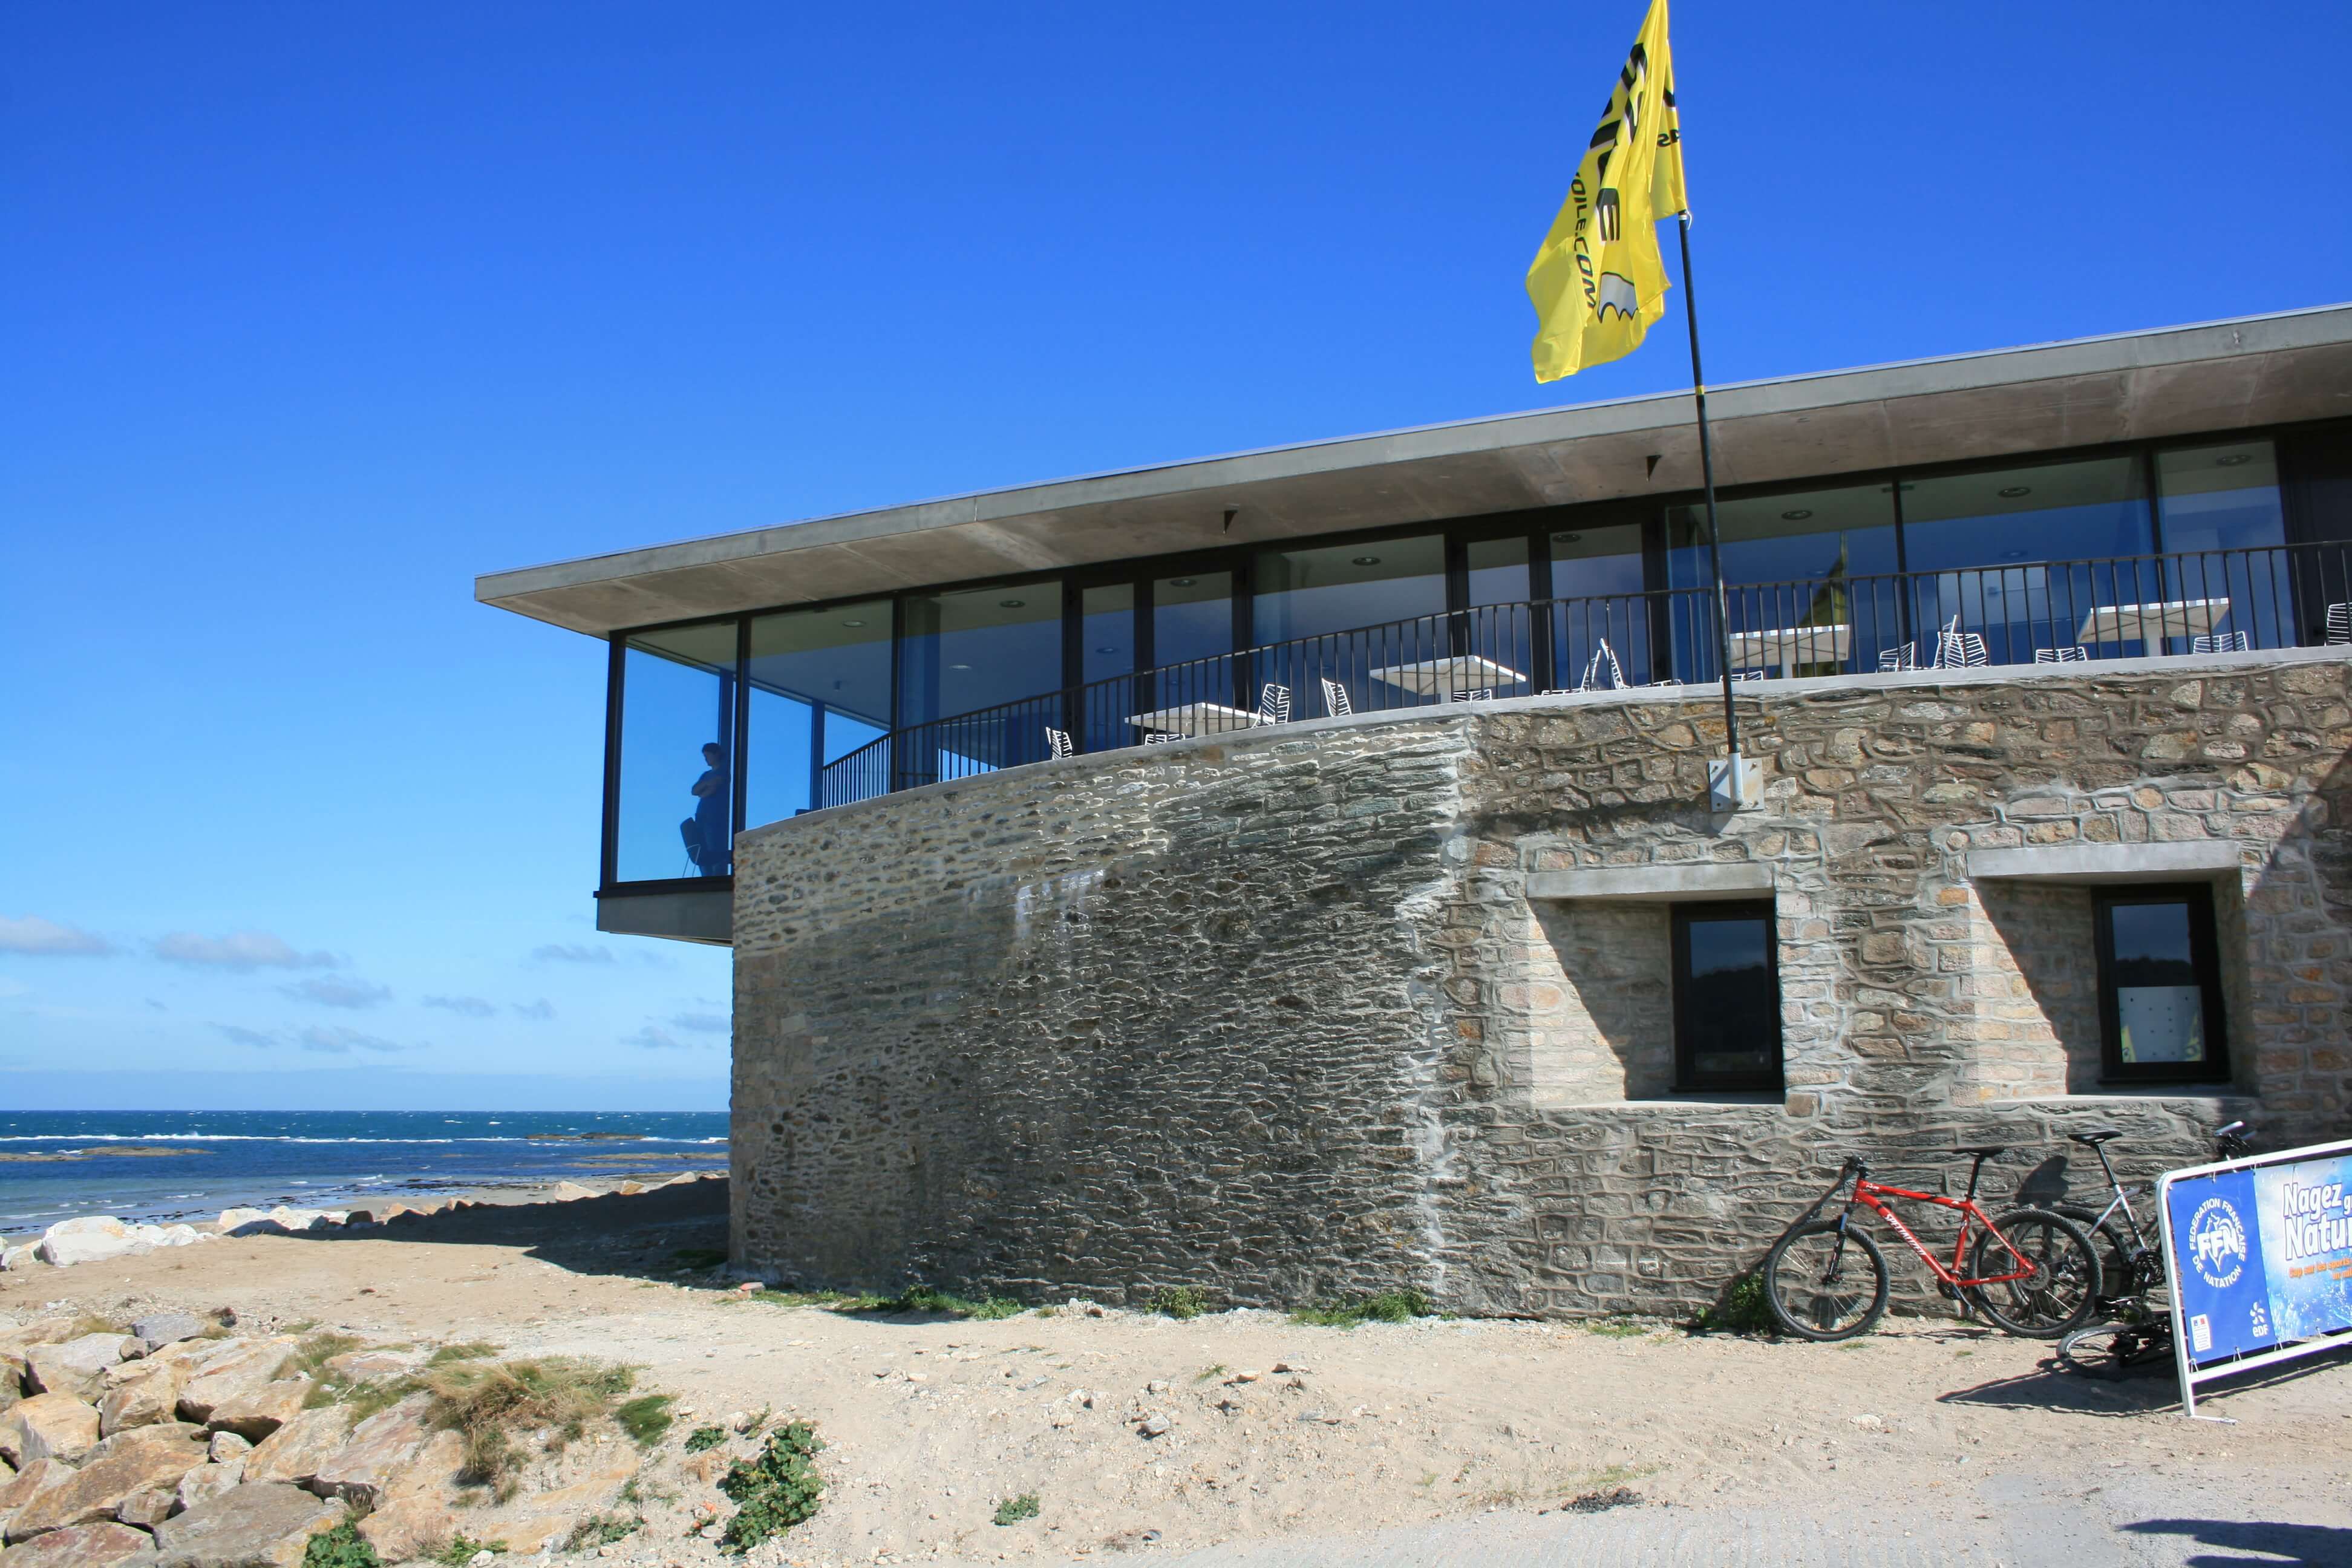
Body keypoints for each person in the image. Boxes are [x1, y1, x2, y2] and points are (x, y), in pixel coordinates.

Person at [691, 743, 730, 875]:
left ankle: (716, 877)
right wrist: (707, 784)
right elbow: (695, 791)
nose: (706, 759)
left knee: (714, 848)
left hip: (715, 817)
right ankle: (706, 877)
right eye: (705, 756)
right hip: (701, 815)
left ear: (716, 754)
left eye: (708, 756)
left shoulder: (723, 772)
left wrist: (704, 789)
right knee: (702, 849)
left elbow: (709, 792)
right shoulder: (706, 775)